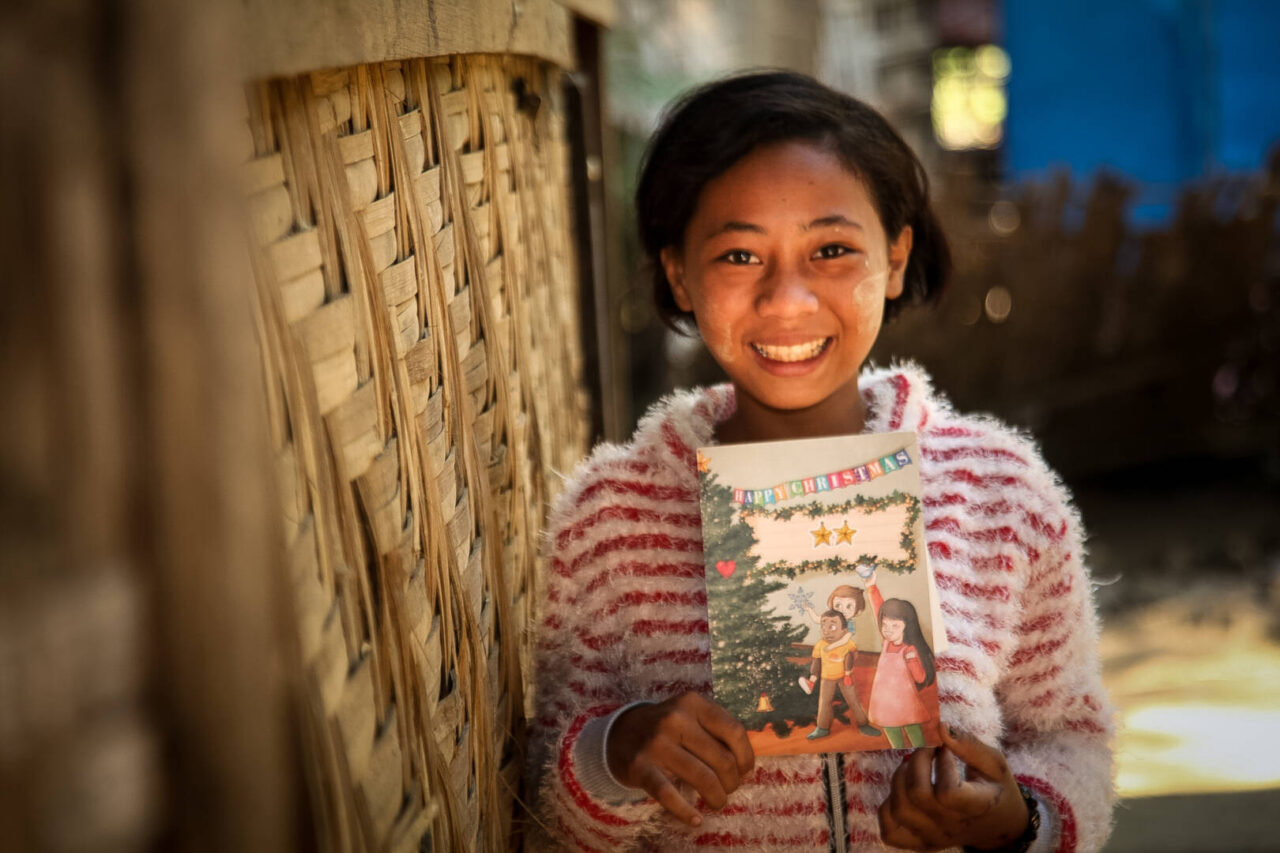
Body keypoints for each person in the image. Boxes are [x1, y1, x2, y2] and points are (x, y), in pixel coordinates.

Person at [527, 70, 1114, 852]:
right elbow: (543, 811)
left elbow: (1073, 742)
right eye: (740, 255)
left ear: (897, 257)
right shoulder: (609, 516)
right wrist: (614, 754)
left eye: (831, 249)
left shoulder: (1001, 493)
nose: (788, 299)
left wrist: (1015, 818)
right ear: (678, 274)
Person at [862, 573, 938, 749]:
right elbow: (878, 611)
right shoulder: (886, 643)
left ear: (906, 626)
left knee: (912, 726)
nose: (888, 630)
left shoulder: (909, 650)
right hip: (884, 700)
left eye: (895, 626)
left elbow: (920, 678)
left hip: (905, 701)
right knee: (889, 726)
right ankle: (898, 750)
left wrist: (912, 661)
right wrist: (871, 587)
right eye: (885, 625)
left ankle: (920, 751)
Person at [798, 609, 881, 740]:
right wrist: (813, 678)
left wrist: (848, 673)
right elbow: (816, 662)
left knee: (853, 701)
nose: (826, 630)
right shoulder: (820, 645)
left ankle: (864, 725)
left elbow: (852, 656)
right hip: (827, 678)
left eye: (832, 626)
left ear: (844, 630)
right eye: (823, 626)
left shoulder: (848, 644)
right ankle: (822, 728)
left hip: (844, 677)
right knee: (824, 702)